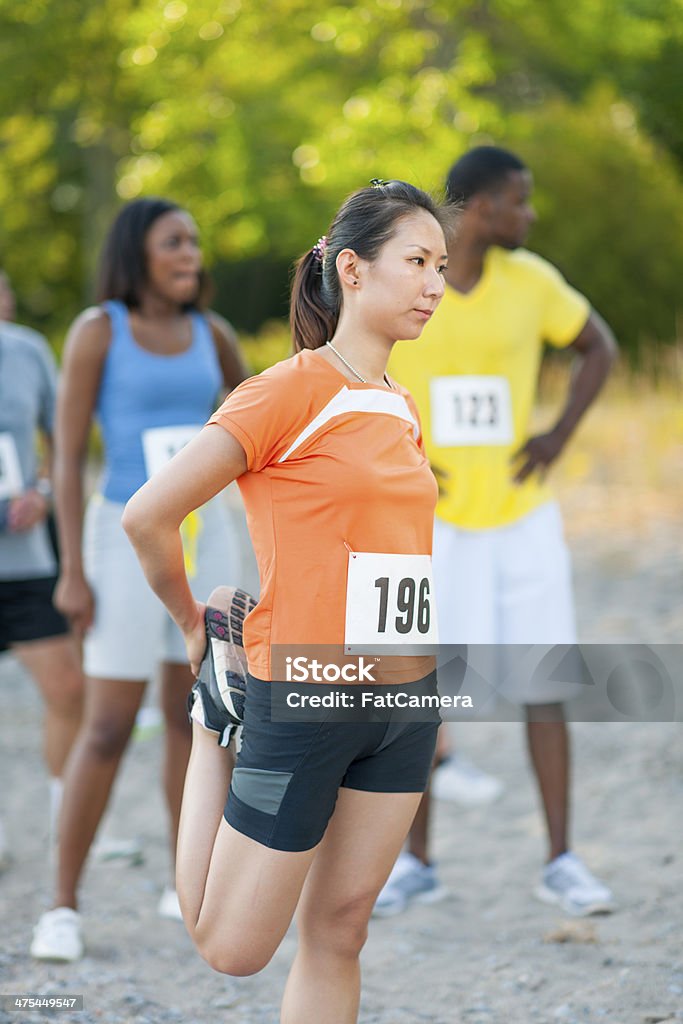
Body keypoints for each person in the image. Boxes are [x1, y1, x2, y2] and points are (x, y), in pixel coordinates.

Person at [123, 180, 450, 1024]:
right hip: (302, 695)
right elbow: (149, 513)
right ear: (352, 268)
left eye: (440, 266)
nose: (433, 284)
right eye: (415, 261)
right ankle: (211, 719)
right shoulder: (287, 391)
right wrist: (191, 621)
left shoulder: (401, 406)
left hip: (401, 703)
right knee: (232, 950)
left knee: (341, 930)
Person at [379, 146, 618, 917]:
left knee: (543, 685)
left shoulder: (532, 281)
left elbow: (597, 348)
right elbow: (354, 360)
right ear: (481, 208)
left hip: (521, 517)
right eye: (520, 201)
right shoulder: (418, 278)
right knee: (419, 695)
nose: (530, 214)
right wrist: (399, 450)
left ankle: (561, 860)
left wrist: (554, 437)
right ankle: (414, 864)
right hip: (433, 523)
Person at [30, 198, 248, 962]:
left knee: (194, 716)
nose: (191, 253)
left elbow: (255, 429)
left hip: (205, 535)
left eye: (194, 241)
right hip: (123, 534)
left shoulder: (212, 335)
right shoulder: (99, 331)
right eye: (174, 243)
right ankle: (61, 903)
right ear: (137, 252)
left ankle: (182, 881)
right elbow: (64, 455)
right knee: (108, 725)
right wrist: (71, 574)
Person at [0, 271, 83, 871]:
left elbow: (63, 437)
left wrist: (46, 491)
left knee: (68, 692)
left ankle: (68, 823)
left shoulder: (28, 350)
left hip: (26, 559)